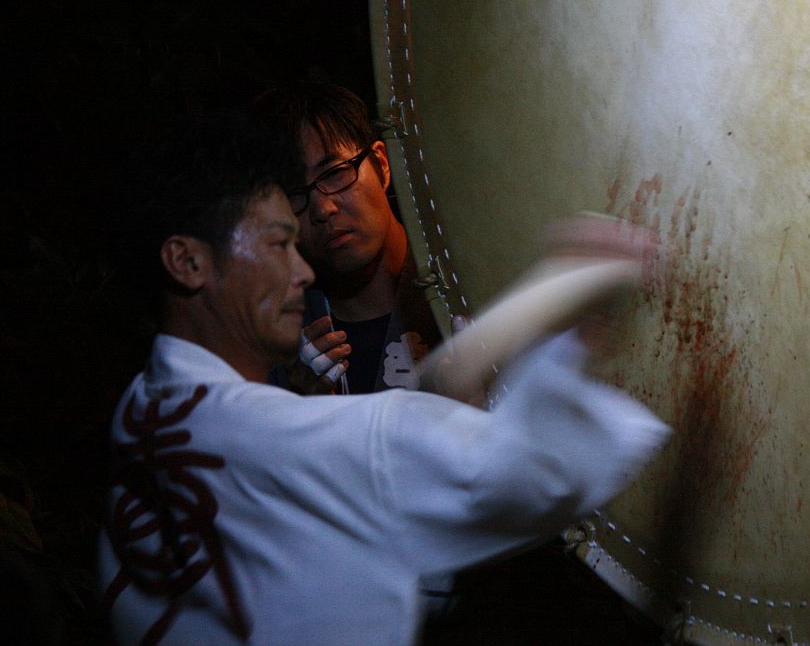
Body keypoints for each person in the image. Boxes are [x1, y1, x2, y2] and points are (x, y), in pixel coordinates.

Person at [98, 109, 670, 645]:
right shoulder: (258, 434)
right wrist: (569, 314)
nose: (302, 271)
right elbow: (519, 472)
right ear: (188, 262)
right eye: (278, 243)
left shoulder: (144, 412)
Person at [254, 83, 440, 396]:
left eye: (335, 173)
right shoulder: (277, 347)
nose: (323, 209)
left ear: (381, 165)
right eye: (295, 195)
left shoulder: (461, 280)